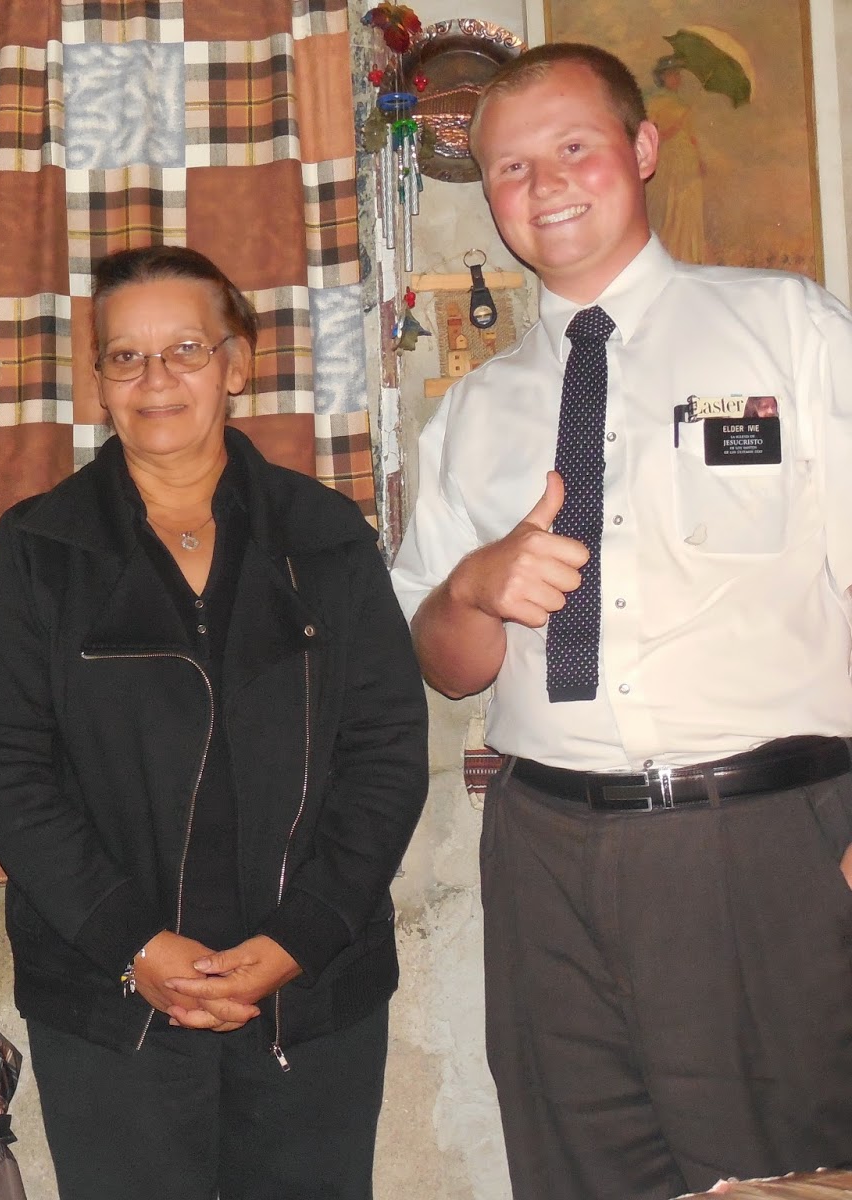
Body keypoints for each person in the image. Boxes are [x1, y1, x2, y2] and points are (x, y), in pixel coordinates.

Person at [391, 42, 852, 1200]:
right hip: (543, 852)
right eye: (509, 167)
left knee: (784, 1176)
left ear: (642, 150)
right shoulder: (473, 412)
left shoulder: (787, 331)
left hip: (762, 841)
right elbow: (443, 663)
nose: (543, 184)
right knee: (576, 1171)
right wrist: (472, 588)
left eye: (574, 147)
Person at [0, 245, 429, 1200]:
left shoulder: (327, 540)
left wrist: (298, 940)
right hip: (112, 997)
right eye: (125, 357)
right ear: (98, 381)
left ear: (236, 363)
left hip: (309, 993)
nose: (156, 379)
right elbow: (7, 768)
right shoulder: (41, 548)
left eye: (185, 349)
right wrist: (133, 943)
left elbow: (386, 756)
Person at [644, 56, 706, 264]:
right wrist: (672, 129)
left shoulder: (683, 104)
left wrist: (699, 159)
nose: (677, 78)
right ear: (662, 77)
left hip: (687, 158)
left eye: (678, 74)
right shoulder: (656, 103)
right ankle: (673, 252)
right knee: (673, 204)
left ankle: (690, 253)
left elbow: (691, 135)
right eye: (672, 74)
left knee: (690, 202)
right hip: (669, 158)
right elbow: (652, 134)